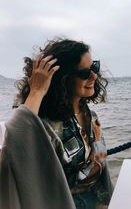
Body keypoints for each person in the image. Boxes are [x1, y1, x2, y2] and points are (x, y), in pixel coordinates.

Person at [0, 37, 113, 209]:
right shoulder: (46, 127)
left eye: (94, 67)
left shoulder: (91, 117)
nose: (94, 75)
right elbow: (16, 143)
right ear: (63, 78)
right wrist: (37, 91)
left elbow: (99, 170)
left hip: (99, 199)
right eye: (84, 73)